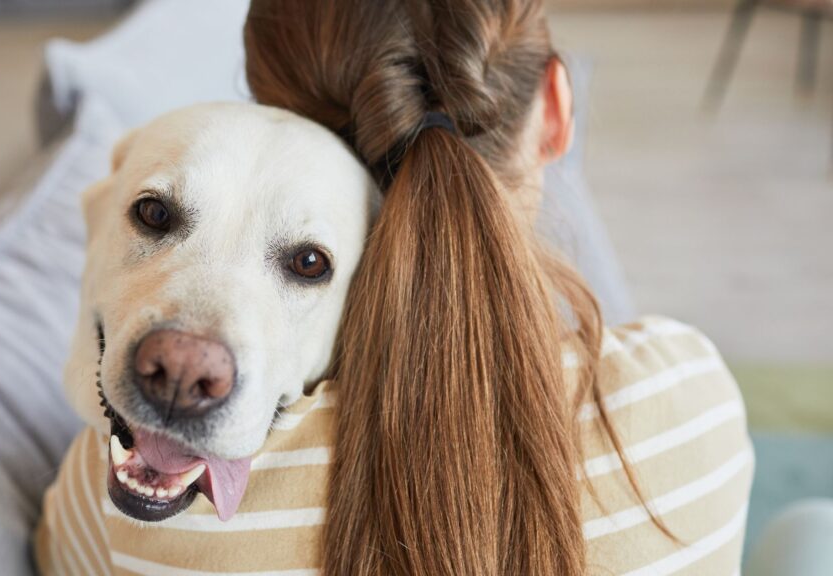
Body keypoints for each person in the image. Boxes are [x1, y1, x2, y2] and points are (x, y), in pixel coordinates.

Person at [38, 1, 753, 573]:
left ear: (275, 102)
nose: (183, 368)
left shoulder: (108, 512)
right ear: (560, 109)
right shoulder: (692, 396)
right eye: (157, 217)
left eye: (306, 265)